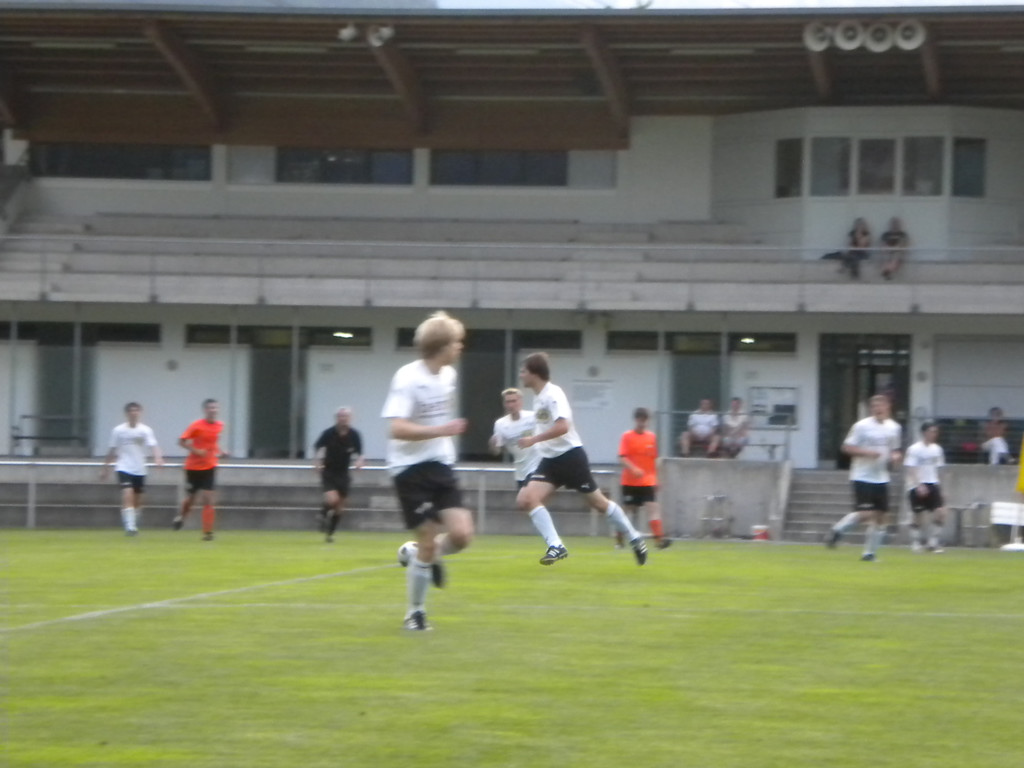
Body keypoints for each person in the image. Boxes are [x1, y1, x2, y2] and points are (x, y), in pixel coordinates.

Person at [381, 310, 474, 632]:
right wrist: (441, 430)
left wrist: (442, 434)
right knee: (429, 535)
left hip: (441, 463)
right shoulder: (407, 378)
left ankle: (419, 553)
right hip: (409, 469)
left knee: (462, 535)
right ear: (442, 346)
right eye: (457, 342)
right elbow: (396, 429)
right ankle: (415, 613)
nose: (460, 347)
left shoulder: (449, 376)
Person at [516, 351, 647, 566]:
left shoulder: (553, 394)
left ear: (534, 373)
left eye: (524, 371)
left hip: (570, 457)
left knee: (599, 503)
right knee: (526, 499)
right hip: (550, 461)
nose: (521, 375)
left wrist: (534, 439)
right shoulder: (539, 397)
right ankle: (556, 546)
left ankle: (634, 537)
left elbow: (563, 426)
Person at [825, 394, 903, 561]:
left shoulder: (894, 427)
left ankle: (869, 554)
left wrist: (896, 457)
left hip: (881, 477)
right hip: (862, 475)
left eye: (881, 406)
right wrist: (867, 453)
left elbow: (895, 449)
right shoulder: (861, 426)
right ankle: (837, 530)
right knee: (865, 514)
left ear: (888, 407)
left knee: (881, 517)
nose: (878, 409)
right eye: (874, 406)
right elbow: (846, 448)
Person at [100, 402, 163, 536]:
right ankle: (130, 527)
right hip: (123, 467)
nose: (134, 413)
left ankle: (133, 522)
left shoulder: (145, 430)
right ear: (127, 414)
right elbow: (112, 449)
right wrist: (105, 468)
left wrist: (158, 458)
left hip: (139, 468)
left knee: (137, 500)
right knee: (127, 493)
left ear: (140, 413)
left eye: (136, 411)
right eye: (131, 411)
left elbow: (153, 445)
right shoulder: (118, 430)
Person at [173, 398, 227, 541]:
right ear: (205, 410)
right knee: (191, 499)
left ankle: (207, 533)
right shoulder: (196, 425)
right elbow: (181, 442)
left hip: (210, 466)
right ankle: (181, 517)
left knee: (208, 498)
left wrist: (221, 452)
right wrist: (196, 451)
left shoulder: (220, 425)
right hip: (193, 467)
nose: (213, 410)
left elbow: (213, 443)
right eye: (210, 408)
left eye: (215, 408)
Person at [618, 406, 670, 549]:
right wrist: (633, 468)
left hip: (647, 481)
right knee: (626, 510)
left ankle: (659, 541)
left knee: (653, 508)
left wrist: (656, 479)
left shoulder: (651, 437)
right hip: (630, 481)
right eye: (640, 420)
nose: (643, 423)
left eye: (645, 420)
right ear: (636, 420)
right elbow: (622, 457)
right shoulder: (627, 436)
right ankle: (619, 539)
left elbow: (654, 459)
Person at [313, 406, 364, 543]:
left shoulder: (354, 435)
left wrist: (359, 461)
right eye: (341, 416)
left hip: (343, 473)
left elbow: (360, 453)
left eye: (346, 416)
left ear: (350, 418)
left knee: (340, 507)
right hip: (329, 471)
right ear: (337, 418)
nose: (343, 419)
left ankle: (330, 533)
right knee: (332, 499)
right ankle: (323, 514)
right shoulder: (328, 433)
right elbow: (318, 447)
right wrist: (317, 461)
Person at [904, 421, 947, 553]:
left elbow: (939, 469)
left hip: (933, 483)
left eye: (935, 432)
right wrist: (918, 484)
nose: (934, 434)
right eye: (931, 431)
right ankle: (916, 542)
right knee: (918, 515)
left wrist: (942, 488)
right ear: (924, 433)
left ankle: (933, 542)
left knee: (940, 512)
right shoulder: (914, 449)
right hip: (917, 484)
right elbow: (911, 468)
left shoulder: (937, 449)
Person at [489, 387, 540, 489]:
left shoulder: (532, 417)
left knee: (530, 495)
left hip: (537, 466)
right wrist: (492, 445)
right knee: (523, 498)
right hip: (520, 470)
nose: (511, 405)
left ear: (520, 402)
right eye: (508, 402)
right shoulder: (500, 424)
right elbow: (497, 451)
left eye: (514, 401)